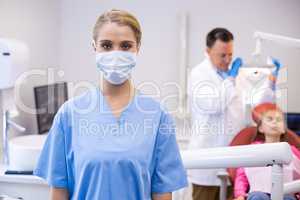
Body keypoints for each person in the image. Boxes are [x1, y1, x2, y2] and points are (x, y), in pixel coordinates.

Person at [34, 9, 188, 200]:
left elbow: (162, 193)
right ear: (94, 47)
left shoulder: (158, 116)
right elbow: (59, 192)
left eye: (125, 46)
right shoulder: (69, 114)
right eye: (106, 45)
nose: (115, 54)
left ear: (138, 48)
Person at [187, 27, 244, 200]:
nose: (227, 60)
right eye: (222, 55)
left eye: (230, 54)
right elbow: (213, 105)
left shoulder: (233, 76)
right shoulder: (199, 74)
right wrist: (230, 80)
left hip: (232, 160)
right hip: (207, 163)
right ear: (208, 51)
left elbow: (245, 108)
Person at [234, 103, 300, 200]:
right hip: (258, 194)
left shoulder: (292, 151)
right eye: (270, 119)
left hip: (286, 194)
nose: (275, 122)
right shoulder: (252, 150)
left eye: (279, 120)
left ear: (284, 129)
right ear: (260, 128)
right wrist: (240, 194)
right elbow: (241, 176)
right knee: (257, 197)